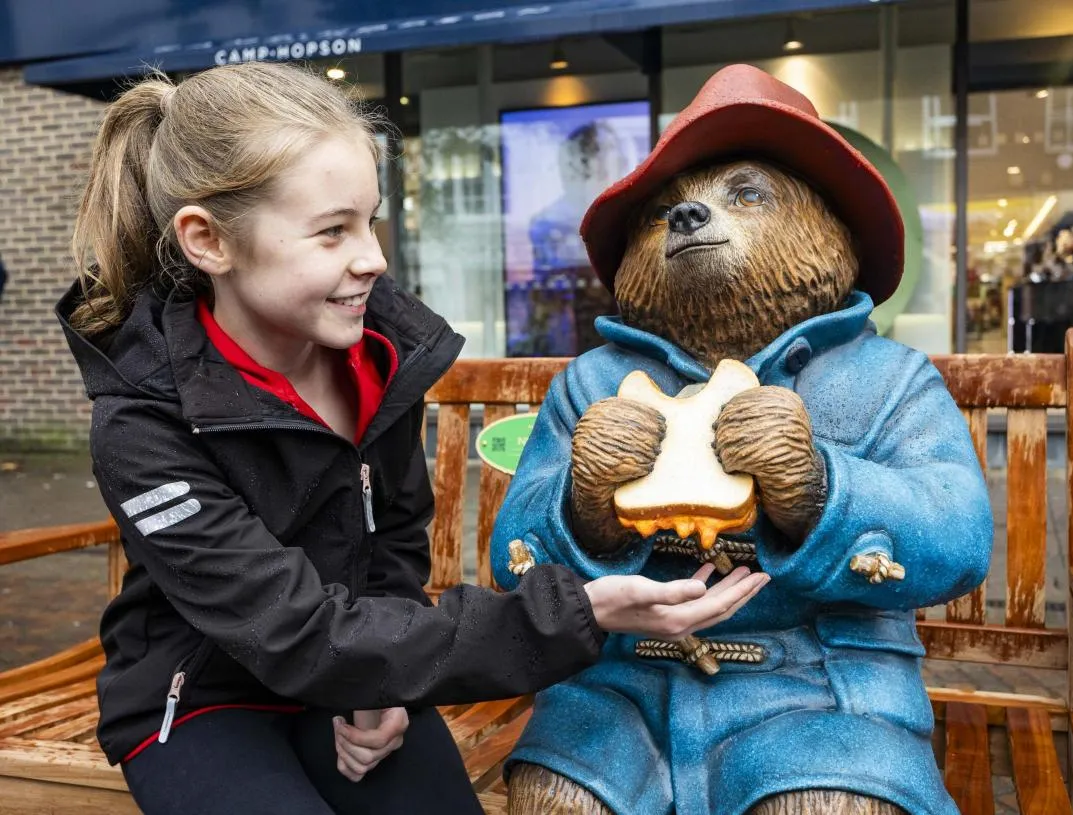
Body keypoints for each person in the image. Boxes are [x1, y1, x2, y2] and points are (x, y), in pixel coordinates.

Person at [55, 61, 769, 815]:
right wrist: (582, 610)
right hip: (201, 696)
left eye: (369, 219)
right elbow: (295, 630)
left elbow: (392, 538)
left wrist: (388, 689)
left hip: (354, 659)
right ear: (208, 240)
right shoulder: (142, 423)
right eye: (332, 232)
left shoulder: (379, 357)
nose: (373, 257)